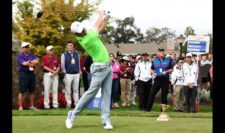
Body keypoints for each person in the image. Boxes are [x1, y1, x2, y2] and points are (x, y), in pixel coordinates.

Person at [66, 10, 113, 130]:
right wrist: (101, 13)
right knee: (91, 94)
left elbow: (101, 27)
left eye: (82, 28)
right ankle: (73, 114)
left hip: (108, 67)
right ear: (78, 33)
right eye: (81, 31)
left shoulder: (88, 34)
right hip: (99, 68)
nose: (83, 30)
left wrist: (107, 16)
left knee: (107, 95)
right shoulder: (87, 38)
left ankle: (106, 121)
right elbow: (98, 25)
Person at [17, 42, 39, 110]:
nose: (27, 48)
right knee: (22, 91)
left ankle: (32, 106)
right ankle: (20, 107)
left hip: (31, 74)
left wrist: (29, 63)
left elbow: (36, 62)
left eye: (28, 47)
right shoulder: (20, 55)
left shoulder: (31, 55)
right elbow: (23, 63)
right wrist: (31, 62)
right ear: (22, 48)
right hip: (23, 74)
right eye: (26, 47)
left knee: (32, 91)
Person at [61, 41, 81, 108]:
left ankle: (76, 104)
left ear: (73, 46)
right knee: (68, 90)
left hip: (76, 74)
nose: (70, 47)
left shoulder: (76, 54)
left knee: (76, 90)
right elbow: (62, 65)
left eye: (71, 45)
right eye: (69, 45)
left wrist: (79, 71)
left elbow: (78, 63)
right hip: (68, 74)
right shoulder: (64, 54)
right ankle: (68, 104)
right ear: (67, 47)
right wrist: (65, 73)